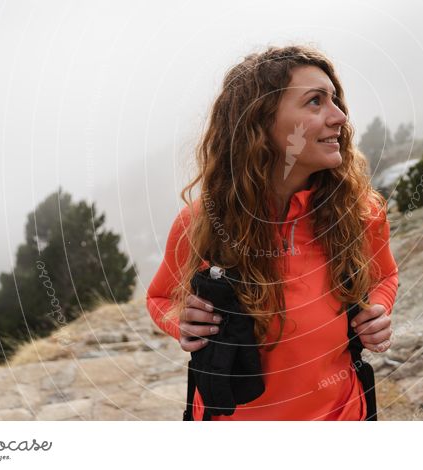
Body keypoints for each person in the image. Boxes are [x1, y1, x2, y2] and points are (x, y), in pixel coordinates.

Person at [146, 45, 399, 420]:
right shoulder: (202, 223)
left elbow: (387, 275)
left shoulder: (360, 212)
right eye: (316, 102)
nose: (340, 117)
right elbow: (161, 297)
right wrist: (182, 320)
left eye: (335, 101)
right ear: (260, 123)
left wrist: (377, 309)